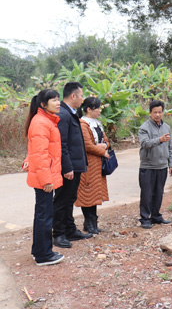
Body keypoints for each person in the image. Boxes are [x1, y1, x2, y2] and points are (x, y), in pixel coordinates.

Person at [24, 89, 65, 266]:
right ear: (43, 104)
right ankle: (44, 255)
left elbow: (35, 150)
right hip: (44, 179)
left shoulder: (45, 120)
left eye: (58, 100)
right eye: (54, 100)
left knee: (43, 214)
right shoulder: (42, 123)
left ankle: (39, 250)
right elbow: (40, 155)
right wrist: (47, 180)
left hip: (44, 176)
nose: (58, 103)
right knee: (45, 215)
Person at [54, 82, 92, 249]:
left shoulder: (71, 113)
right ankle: (58, 233)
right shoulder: (63, 114)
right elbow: (62, 144)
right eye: (81, 95)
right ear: (73, 96)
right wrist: (67, 167)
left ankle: (69, 229)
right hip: (68, 167)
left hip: (75, 165)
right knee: (62, 200)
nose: (83, 99)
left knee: (70, 199)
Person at [75, 97, 110, 234]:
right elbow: (88, 145)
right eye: (98, 108)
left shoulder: (97, 123)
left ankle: (93, 223)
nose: (100, 110)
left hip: (97, 165)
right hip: (88, 164)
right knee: (87, 193)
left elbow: (107, 141)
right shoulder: (83, 124)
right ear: (89, 109)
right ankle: (89, 223)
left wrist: (104, 146)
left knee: (95, 194)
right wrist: (103, 151)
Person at [138, 100, 172, 229]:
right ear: (150, 113)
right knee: (147, 194)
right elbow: (144, 144)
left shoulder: (166, 127)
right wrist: (159, 140)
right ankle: (145, 218)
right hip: (148, 166)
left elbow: (170, 147)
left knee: (159, 192)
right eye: (155, 112)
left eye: (160, 112)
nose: (158, 115)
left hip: (162, 166)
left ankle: (156, 216)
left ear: (163, 112)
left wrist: (171, 164)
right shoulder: (144, 127)